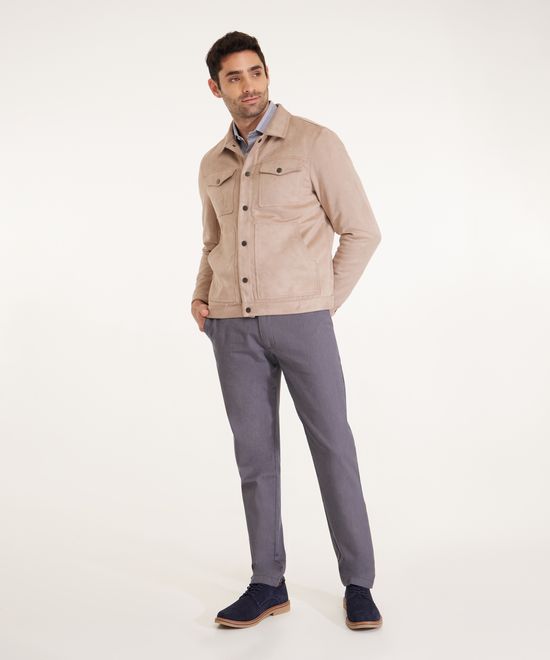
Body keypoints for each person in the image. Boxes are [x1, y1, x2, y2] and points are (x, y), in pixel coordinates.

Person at [191, 31, 383, 630]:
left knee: (333, 448)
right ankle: (267, 582)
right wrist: (201, 295)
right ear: (216, 87)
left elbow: (362, 231)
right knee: (254, 458)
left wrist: (321, 303)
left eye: (256, 72)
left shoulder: (314, 143)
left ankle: (358, 583)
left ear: (267, 74)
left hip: (303, 322)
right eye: (234, 77)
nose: (248, 86)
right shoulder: (212, 164)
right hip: (232, 328)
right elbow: (213, 240)